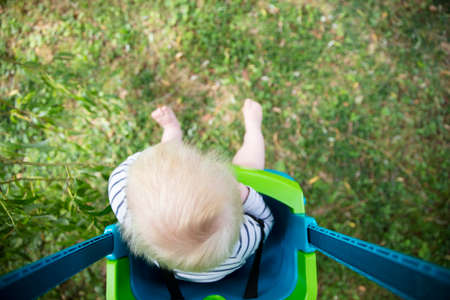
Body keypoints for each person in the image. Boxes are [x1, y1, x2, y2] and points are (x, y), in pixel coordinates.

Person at [108, 99, 273, 282]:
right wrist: (246, 195)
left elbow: (150, 160)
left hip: (177, 271)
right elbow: (264, 221)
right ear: (234, 217)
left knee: (163, 160)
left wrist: (164, 158)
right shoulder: (241, 241)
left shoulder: (121, 194)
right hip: (227, 267)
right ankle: (253, 128)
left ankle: (172, 132)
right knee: (249, 169)